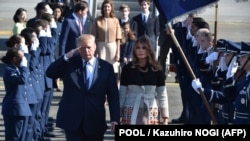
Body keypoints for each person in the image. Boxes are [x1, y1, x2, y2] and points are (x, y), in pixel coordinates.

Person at [46, 34, 120, 141]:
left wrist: (115, 118)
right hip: (72, 119)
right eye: (82, 48)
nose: (86, 50)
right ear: (77, 49)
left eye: (89, 47)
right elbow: (50, 73)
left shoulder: (106, 67)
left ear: (95, 47)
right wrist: (66, 57)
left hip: (95, 119)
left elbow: (113, 95)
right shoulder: (70, 63)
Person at [119, 36, 169, 125]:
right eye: (138, 48)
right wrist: (118, 113)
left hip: (150, 108)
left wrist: (165, 115)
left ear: (149, 50)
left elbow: (162, 93)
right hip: (131, 107)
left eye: (144, 48)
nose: (140, 50)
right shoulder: (127, 68)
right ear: (134, 50)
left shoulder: (157, 69)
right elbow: (122, 93)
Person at [1, 48, 32, 141]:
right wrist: (24, 67)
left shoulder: (17, 69)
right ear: (14, 59)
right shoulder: (9, 70)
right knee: (13, 137)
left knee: (20, 137)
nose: (24, 60)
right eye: (21, 58)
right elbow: (22, 80)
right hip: (14, 110)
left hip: (21, 109)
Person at [91, 0, 122, 81]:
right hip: (101, 46)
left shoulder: (115, 20)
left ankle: (113, 87)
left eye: (108, 6)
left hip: (112, 46)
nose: (106, 8)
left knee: (113, 67)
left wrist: (118, 52)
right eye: (105, 6)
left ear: (111, 8)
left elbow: (118, 37)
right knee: (101, 67)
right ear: (102, 8)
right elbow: (93, 36)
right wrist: (95, 49)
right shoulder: (97, 20)